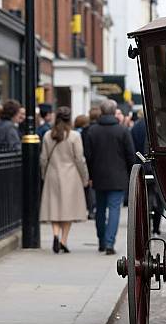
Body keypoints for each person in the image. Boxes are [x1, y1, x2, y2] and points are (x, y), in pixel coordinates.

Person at [85, 99, 135, 254]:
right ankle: (109, 243)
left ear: (101, 111)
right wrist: (129, 173)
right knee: (114, 209)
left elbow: (88, 156)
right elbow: (130, 156)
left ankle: (101, 240)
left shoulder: (92, 131)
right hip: (118, 176)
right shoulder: (122, 131)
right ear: (114, 112)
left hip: (99, 176)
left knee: (100, 209)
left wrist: (91, 174)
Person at [39, 106, 89, 252]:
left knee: (54, 207)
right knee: (68, 210)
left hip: (52, 174)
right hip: (70, 175)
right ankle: (63, 240)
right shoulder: (74, 136)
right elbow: (79, 159)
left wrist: (44, 174)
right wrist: (84, 176)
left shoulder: (48, 135)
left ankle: (55, 235)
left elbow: (43, 158)